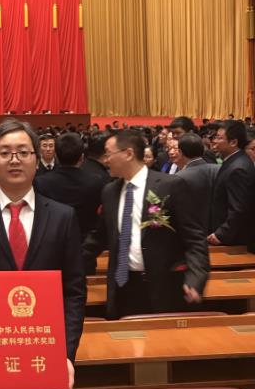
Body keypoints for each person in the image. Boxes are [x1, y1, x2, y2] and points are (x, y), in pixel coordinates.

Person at [0, 119, 85, 389]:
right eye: (5, 153)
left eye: (23, 152)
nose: (14, 160)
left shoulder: (63, 216)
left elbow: (74, 292)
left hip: (49, 354)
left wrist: (66, 353)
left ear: (37, 160)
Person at [83, 130, 209, 319]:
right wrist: (67, 267)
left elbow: (195, 239)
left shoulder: (170, 186)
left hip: (164, 286)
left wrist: (195, 279)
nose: (106, 160)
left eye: (109, 154)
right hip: (123, 286)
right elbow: (98, 238)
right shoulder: (109, 191)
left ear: (128, 154)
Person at [34, 132, 103, 241]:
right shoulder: (96, 182)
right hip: (85, 242)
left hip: (52, 241)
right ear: (82, 157)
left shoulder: (41, 183)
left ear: (56, 156)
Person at [208, 120, 255, 250]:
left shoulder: (238, 168)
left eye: (219, 138)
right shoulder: (234, 161)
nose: (215, 141)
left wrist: (221, 234)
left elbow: (239, 208)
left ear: (233, 142)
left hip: (234, 241)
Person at [176, 133, 218, 235]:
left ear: (180, 152)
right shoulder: (219, 169)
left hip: (193, 232)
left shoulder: (179, 177)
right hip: (219, 230)